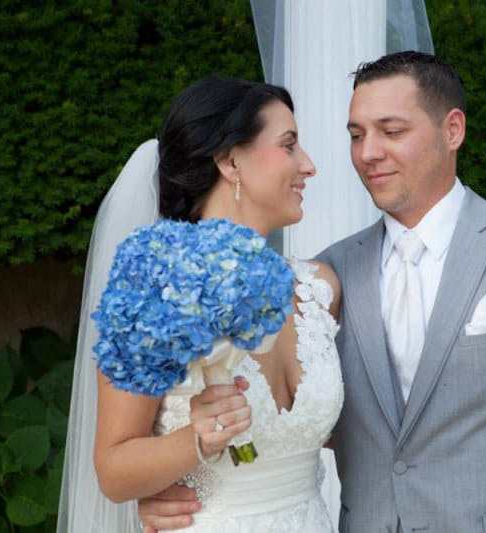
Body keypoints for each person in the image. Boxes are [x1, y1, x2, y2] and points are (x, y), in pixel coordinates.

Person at [140, 52, 486, 532]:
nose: (368, 153)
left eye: (391, 131)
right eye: (356, 134)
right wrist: (183, 486)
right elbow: (301, 426)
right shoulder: (329, 276)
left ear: (452, 130)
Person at [57, 75, 344, 532]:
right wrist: (197, 440)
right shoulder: (156, 293)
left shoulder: (320, 288)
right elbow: (113, 470)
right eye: (289, 145)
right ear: (231, 161)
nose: (308, 165)